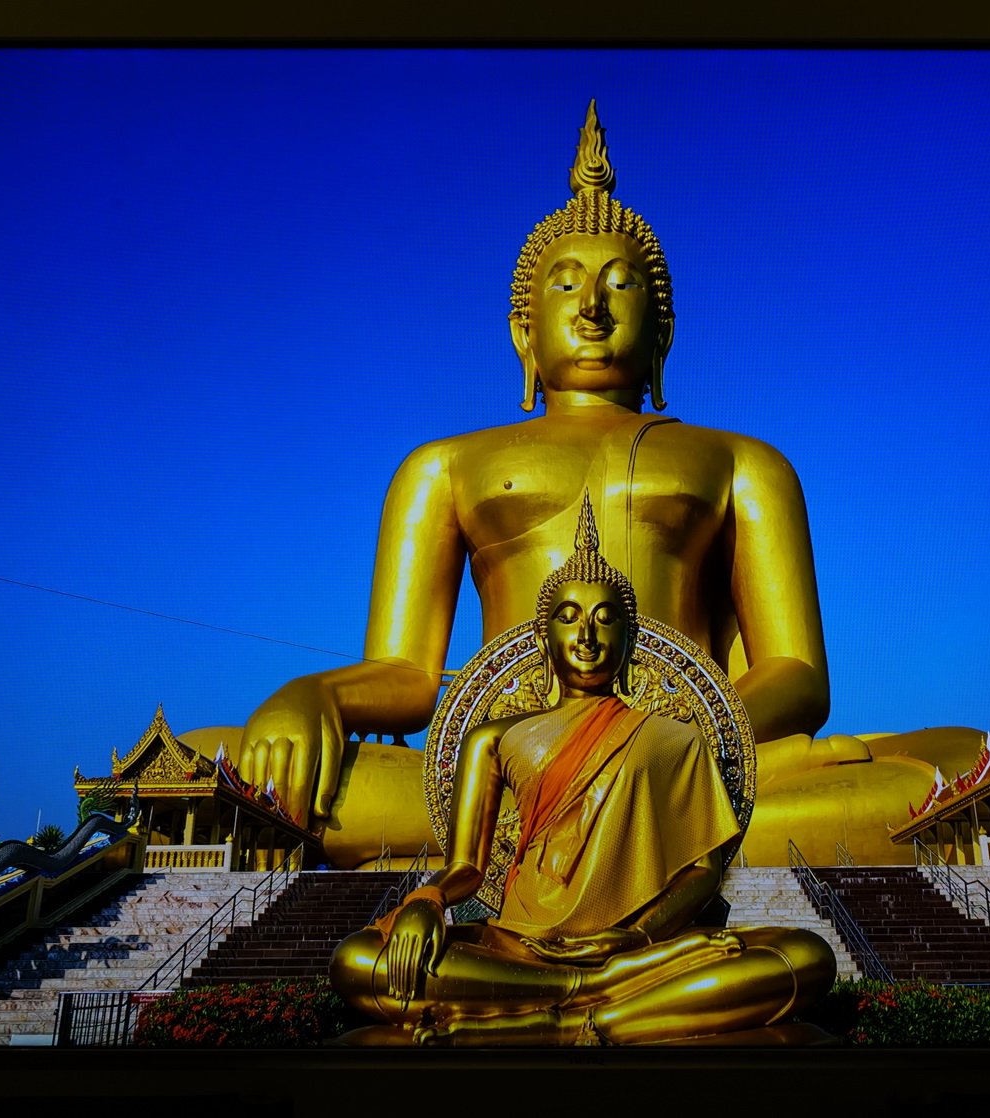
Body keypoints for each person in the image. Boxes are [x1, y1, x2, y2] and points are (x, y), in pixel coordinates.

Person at [239, 102, 833, 844]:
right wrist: (313, 695)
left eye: (621, 285)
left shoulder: (745, 463)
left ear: (663, 334)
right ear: (523, 332)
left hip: (676, 768)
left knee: (945, 763)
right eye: (566, 284)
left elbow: (797, 671)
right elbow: (408, 675)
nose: (592, 309)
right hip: (500, 782)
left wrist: (672, 742)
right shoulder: (444, 466)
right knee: (226, 758)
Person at [329, 502, 834, 1045]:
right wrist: (426, 902)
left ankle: (564, 1020)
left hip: (635, 947)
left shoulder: (678, 739)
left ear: (631, 639)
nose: (587, 635)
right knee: (360, 962)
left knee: (804, 956)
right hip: (521, 947)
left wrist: (637, 938)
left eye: (606, 618)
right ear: (541, 637)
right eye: (568, 617)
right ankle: (598, 995)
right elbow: (466, 868)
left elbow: (702, 873)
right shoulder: (491, 738)